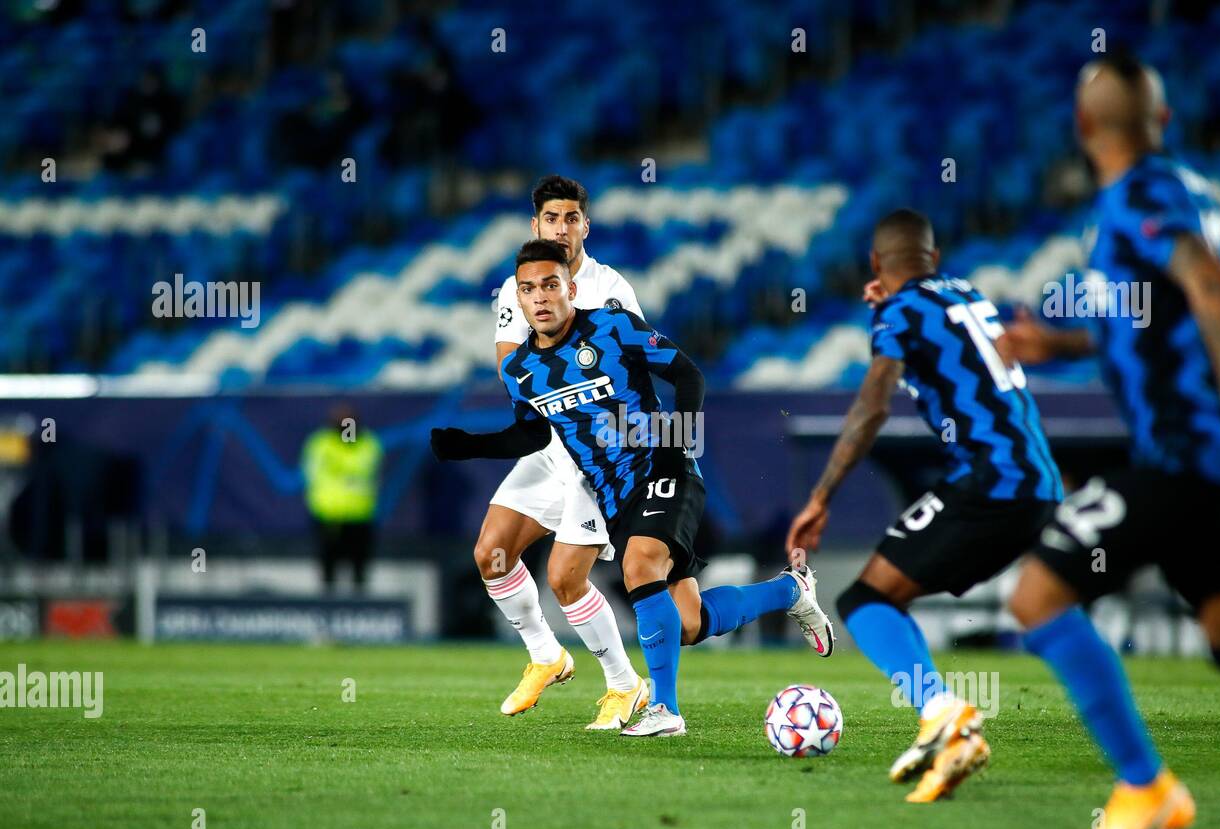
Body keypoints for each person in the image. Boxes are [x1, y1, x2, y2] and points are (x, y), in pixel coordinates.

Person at [998, 54, 1220, 829]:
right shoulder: (1164, 200)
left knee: (1036, 595)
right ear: (1162, 121)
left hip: (1189, 458)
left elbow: (1210, 284)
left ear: (1083, 126)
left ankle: (1147, 788)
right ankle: (1150, 789)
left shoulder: (1143, 196)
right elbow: (1143, 320)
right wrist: (1053, 343)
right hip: (1214, 470)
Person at [432, 239, 835, 738]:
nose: (540, 298)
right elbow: (534, 432)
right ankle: (791, 591)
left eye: (550, 286)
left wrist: (676, 441)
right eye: (528, 289)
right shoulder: (520, 371)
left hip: (664, 467)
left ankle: (663, 710)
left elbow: (687, 373)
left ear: (570, 289)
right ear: (517, 298)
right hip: (613, 495)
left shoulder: (611, 325)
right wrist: (469, 445)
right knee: (688, 623)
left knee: (638, 565)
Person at [787, 209, 1063, 801]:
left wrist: (821, 496)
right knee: (1041, 604)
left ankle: (943, 714)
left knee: (866, 597)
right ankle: (946, 725)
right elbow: (936, 342)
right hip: (1036, 481)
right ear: (933, 259)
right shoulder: (966, 293)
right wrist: (890, 304)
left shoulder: (899, 312)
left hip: (992, 481)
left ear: (874, 265)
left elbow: (874, 404)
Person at [476, 175, 649, 730]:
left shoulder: (609, 287)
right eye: (552, 218)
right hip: (551, 445)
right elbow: (511, 369)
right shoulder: (516, 287)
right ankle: (546, 655)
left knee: (566, 578)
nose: (562, 228)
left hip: (599, 455)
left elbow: (639, 367)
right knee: (491, 553)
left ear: (585, 226)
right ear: (536, 226)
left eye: (571, 218)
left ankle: (627, 687)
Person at [302, 404, 383, 592]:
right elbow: (313, 475)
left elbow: (369, 471)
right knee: (329, 565)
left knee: (359, 567)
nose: (346, 427)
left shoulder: (367, 444)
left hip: (360, 514)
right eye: (342, 422)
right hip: (329, 514)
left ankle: (360, 606)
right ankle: (328, 605)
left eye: (349, 422)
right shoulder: (321, 444)